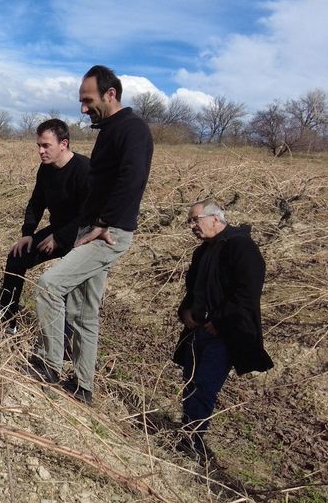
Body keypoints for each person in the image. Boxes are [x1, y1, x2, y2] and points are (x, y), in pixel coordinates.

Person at [24, 65, 153, 406]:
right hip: (92, 228)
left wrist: (104, 223)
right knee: (83, 312)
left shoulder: (133, 129)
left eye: (88, 99)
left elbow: (133, 179)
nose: (83, 108)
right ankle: (83, 388)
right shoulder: (109, 130)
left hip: (108, 233)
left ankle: (48, 365)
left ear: (110, 94)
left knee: (50, 286)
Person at [173, 199, 273, 463]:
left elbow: (247, 293)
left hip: (224, 334)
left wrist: (219, 321)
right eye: (189, 221)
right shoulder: (202, 251)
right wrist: (186, 311)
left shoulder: (241, 247)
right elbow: (194, 289)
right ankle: (187, 432)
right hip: (197, 330)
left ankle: (193, 438)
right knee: (191, 380)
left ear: (216, 218)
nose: (192, 226)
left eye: (196, 220)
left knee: (206, 383)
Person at [0, 119, 90, 333]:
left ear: (63, 144)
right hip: (56, 230)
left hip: (82, 237)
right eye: (38, 145)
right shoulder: (46, 169)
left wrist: (60, 238)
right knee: (16, 258)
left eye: (46, 145)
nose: (40, 151)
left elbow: (89, 214)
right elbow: (36, 202)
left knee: (64, 286)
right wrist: (27, 233)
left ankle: (66, 342)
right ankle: (5, 321)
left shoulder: (84, 170)